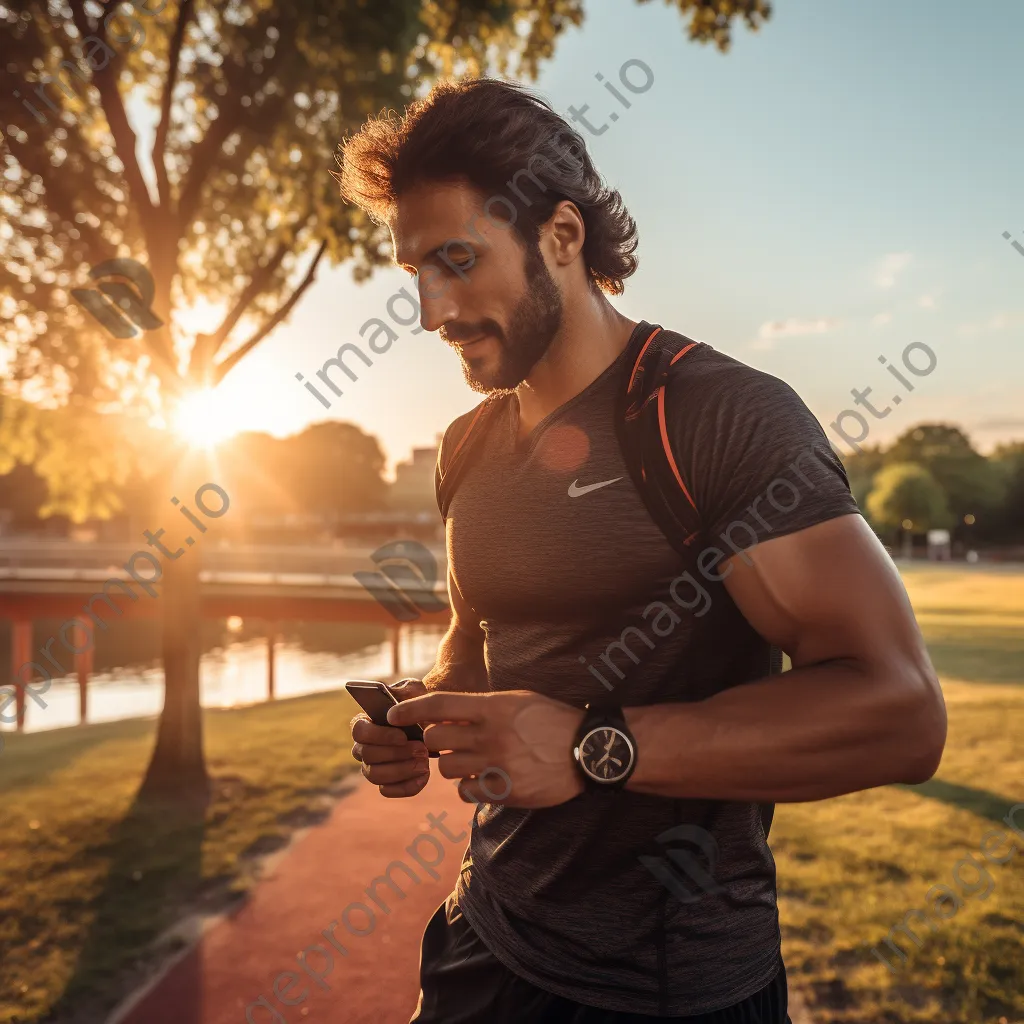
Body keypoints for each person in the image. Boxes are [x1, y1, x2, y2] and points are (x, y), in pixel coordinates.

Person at [341, 76, 947, 1023]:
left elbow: (902, 712)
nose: (431, 310)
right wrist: (421, 716)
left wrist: (594, 747)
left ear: (562, 236)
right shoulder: (465, 445)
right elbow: (474, 639)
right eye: (415, 273)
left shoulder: (716, 416)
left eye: (458, 260)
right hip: (483, 942)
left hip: (672, 990)